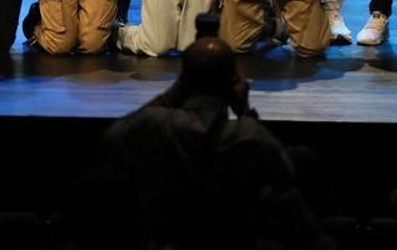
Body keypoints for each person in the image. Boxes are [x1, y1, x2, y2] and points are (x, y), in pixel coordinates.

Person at [99, 38, 292, 249]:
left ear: (183, 81)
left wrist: (171, 94)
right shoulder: (248, 135)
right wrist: (243, 109)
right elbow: (286, 175)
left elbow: (111, 138)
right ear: (234, 82)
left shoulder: (158, 125)